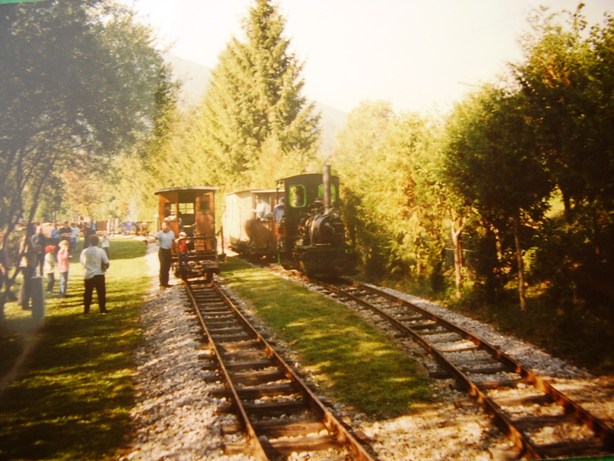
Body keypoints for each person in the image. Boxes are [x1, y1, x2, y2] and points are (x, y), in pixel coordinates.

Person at [80, 234, 109, 314]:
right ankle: (102, 308)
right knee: (101, 292)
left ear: (90, 242)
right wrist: (105, 267)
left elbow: (82, 262)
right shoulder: (100, 251)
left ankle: (86, 309)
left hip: (88, 274)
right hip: (98, 274)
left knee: (88, 292)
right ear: (98, 242)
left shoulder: (84, 251)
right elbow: (106, 262)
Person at [18, 224, 38, 310]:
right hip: (27, 265)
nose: (35, 230)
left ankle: (21, 301)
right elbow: (24, 252)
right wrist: (35, 250)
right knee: (27, 285)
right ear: (30, 230)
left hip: (30, 264)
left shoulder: (30, 238)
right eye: (34, 229)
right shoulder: (26, 239)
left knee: (25, 284)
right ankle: (24, 304)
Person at [155, 221, 175, 288]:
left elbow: (173, 241)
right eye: (163, 226)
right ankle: (162, 284)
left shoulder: (171, 233)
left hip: (168, 251)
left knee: (167, 268)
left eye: (165, 226)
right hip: (162, 251)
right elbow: (155, 238)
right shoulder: (160, 233)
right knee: (163, 267)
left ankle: (166, 283)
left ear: (168, 226)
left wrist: (172, 251)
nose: (164, 227)